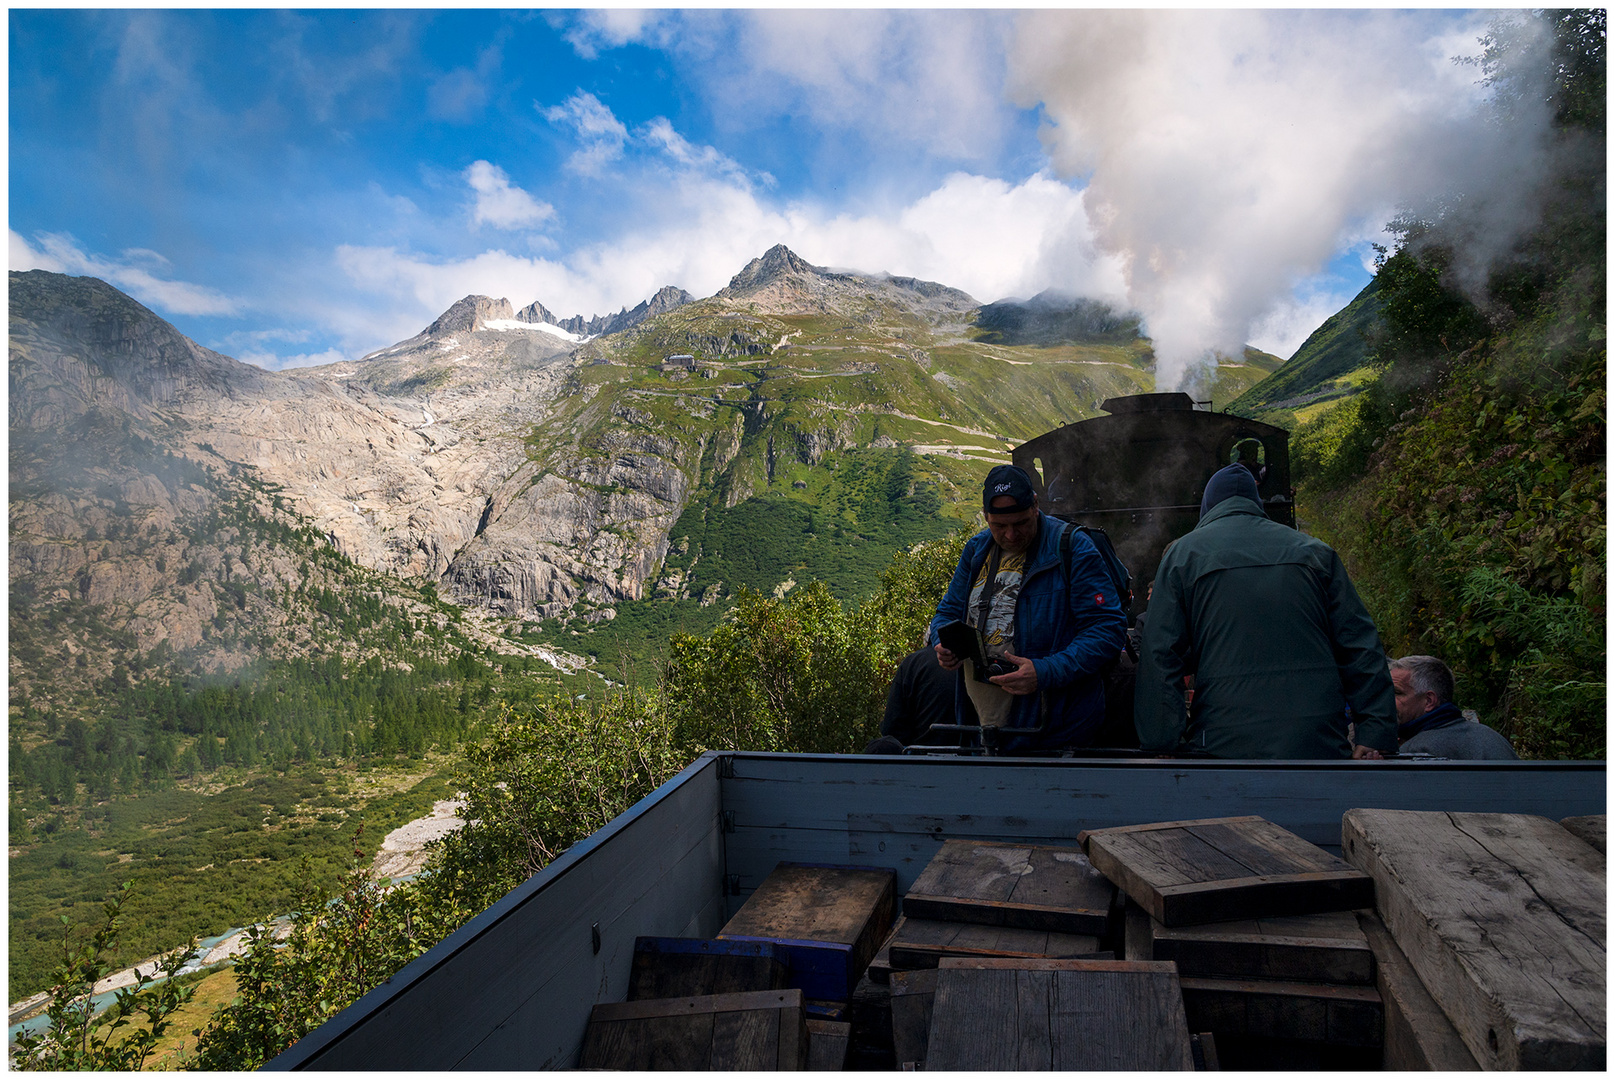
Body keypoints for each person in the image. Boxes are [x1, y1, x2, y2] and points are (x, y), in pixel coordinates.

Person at [1135, 463, 1398, 759]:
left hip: (1223, 737)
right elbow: (1360, 645)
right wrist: (1375, 732)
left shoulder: (1183, 556)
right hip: (1316, 736)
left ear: (1208, 506)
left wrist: (1160, 740)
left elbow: (1159, 654)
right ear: (1256, 503)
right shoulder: (1316, 552)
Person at [930, 464, 1127, 753]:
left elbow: (1108, 630)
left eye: (1020, 523)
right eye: (999, 526)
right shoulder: (976, 550)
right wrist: (942, 642)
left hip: (1056, 732)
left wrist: (1044, 672)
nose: (1010, 535)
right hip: (983, 730)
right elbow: (947, 613)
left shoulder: (1073, 548)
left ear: (1035, 505)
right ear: (985, 516)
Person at [1390, 655, 1518, 759]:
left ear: (1429, 701)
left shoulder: (1415, 751)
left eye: (1397, 693)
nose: (1386, 701)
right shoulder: (1491, 738)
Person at [863, 646, 963, 753]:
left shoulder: (913, 663)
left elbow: (892, 726)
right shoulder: (975, 662)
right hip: (972, 758)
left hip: (921, 758)